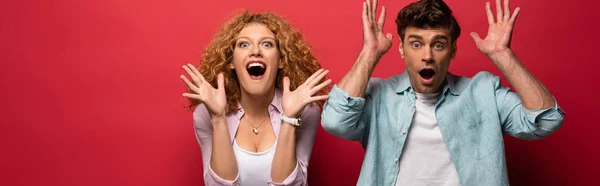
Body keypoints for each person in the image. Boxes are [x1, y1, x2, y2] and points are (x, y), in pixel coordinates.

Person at [321, 0, 565, 185]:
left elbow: (546, 120)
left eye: (438, 44)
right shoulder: (379, 94)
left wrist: (503, 55)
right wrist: (370, 52)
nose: (427, 55)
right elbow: (335, 121)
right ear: (402, 49)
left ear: (452, 50)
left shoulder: (483, 92)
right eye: (416, 44)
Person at [180, 10, 331, 186]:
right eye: (244, 45)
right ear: (231, 61)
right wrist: (218, 119)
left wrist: (290, 119)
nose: (256, 51)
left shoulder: (304, 111)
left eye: (267, 44)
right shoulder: (206, 113)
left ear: (281, 60)